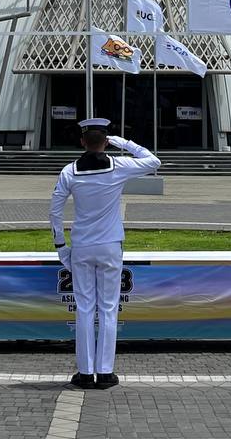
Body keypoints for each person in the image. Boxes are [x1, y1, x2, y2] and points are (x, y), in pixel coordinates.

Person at [49, 117, 160, 390]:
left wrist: (60, 245)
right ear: (106, 142)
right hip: (110, 245)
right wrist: (123, 142)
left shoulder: (69, 171)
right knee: (109, 308)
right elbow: (153, 161)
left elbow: (54, 211)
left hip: (82, 246)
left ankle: (86, 372)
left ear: (82, 141)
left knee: (84, 308)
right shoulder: (118, 166)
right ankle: (106, 371)